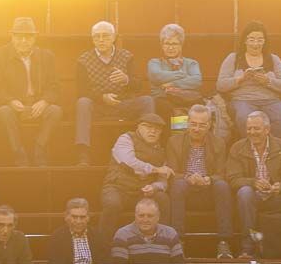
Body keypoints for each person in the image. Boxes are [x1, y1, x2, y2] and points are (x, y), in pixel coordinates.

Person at [226, 110, 281, 258]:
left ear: (267, 129)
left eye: (256, 128)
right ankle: (247, 247)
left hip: (279, 196)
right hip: (253, 198)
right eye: (249, 128)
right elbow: (233, 178)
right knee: (244, 192)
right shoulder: (237, 148)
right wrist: (253, 182)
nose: (252, 132)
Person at [73, 20, 153, 167]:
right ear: (92, 39)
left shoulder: (126, 56)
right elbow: (81, 91)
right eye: (96, 37)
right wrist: (102, 97)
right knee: (82, 102)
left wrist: (127, 80)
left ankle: (146, 149)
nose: (101, 40)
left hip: (123, 104)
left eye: (105, 36)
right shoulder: (83, 60)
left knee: (147, 101)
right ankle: (83, 154)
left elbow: (139, 85)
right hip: (98, 107)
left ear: (114, 37)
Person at [0, 16, 60, 167]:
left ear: (35, 37)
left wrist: (44, 101)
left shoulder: (47, 56)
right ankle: (18, 152)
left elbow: (54, 87)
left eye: (28, 37)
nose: (24, 41)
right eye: (19, 37)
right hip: (12, 106)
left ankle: (40, 147)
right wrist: (10, 101)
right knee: (4, 112)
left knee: (55, 111)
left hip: (37, 105)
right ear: (12, 36)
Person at [167, 103, 233, 259]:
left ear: (209, 125)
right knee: (178, 184)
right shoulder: (173, 142)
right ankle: (179, 241)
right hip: (185, 189)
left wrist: (208, 179)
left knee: (222, 186)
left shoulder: (219, 142)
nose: (196, 129)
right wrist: (188, 178)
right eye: (193, 124)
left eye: (202, 125)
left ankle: (224, 242)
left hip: (208, 190)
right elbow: (172, 172)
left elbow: (221, 173)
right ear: (187, 122)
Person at [99, 112, 172, 243]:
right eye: (148, 127)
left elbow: (163, 181)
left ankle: (163, 243)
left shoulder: (161, 150)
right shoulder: (126, 138)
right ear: (138, 127)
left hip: (141, 192)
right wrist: (155, 169)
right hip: (117, 187)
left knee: (163, 199)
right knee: (112, 204)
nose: (153, 131)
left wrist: (154, 187)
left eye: (157, 129)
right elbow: (128, 162)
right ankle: (103, 246)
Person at [216, 20, 281, 138]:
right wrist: (240, 79)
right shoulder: (234, 58)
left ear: (265, 41)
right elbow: (221, 85)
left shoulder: (273, 59)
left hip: (270, 100)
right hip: (242, 100)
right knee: (244, 118)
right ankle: (254, 146)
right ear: (245, 41)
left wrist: (267, 81)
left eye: (260, 40)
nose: (255, 44)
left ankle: (266, 144)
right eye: (251, 39)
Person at [44, 197, 110, 264]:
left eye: (82, 217)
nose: (78, 221)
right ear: (66, 217)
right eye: (74, 217)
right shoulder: (57, 237)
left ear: (88, 217)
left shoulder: (98, 236)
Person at [147, 23, 202, 124]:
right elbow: (156, 76)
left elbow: (197, 81)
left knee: (198, 109)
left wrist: (173, 84)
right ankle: (172, 138)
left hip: (186, 98)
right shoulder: (154, 62)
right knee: (166, 109)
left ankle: (187, 136)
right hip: (163, 98)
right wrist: (183, 74)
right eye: (167, 43)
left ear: (181, 45)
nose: (170, 48)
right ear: (162, 45)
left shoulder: (191, 63)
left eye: (174, 44)